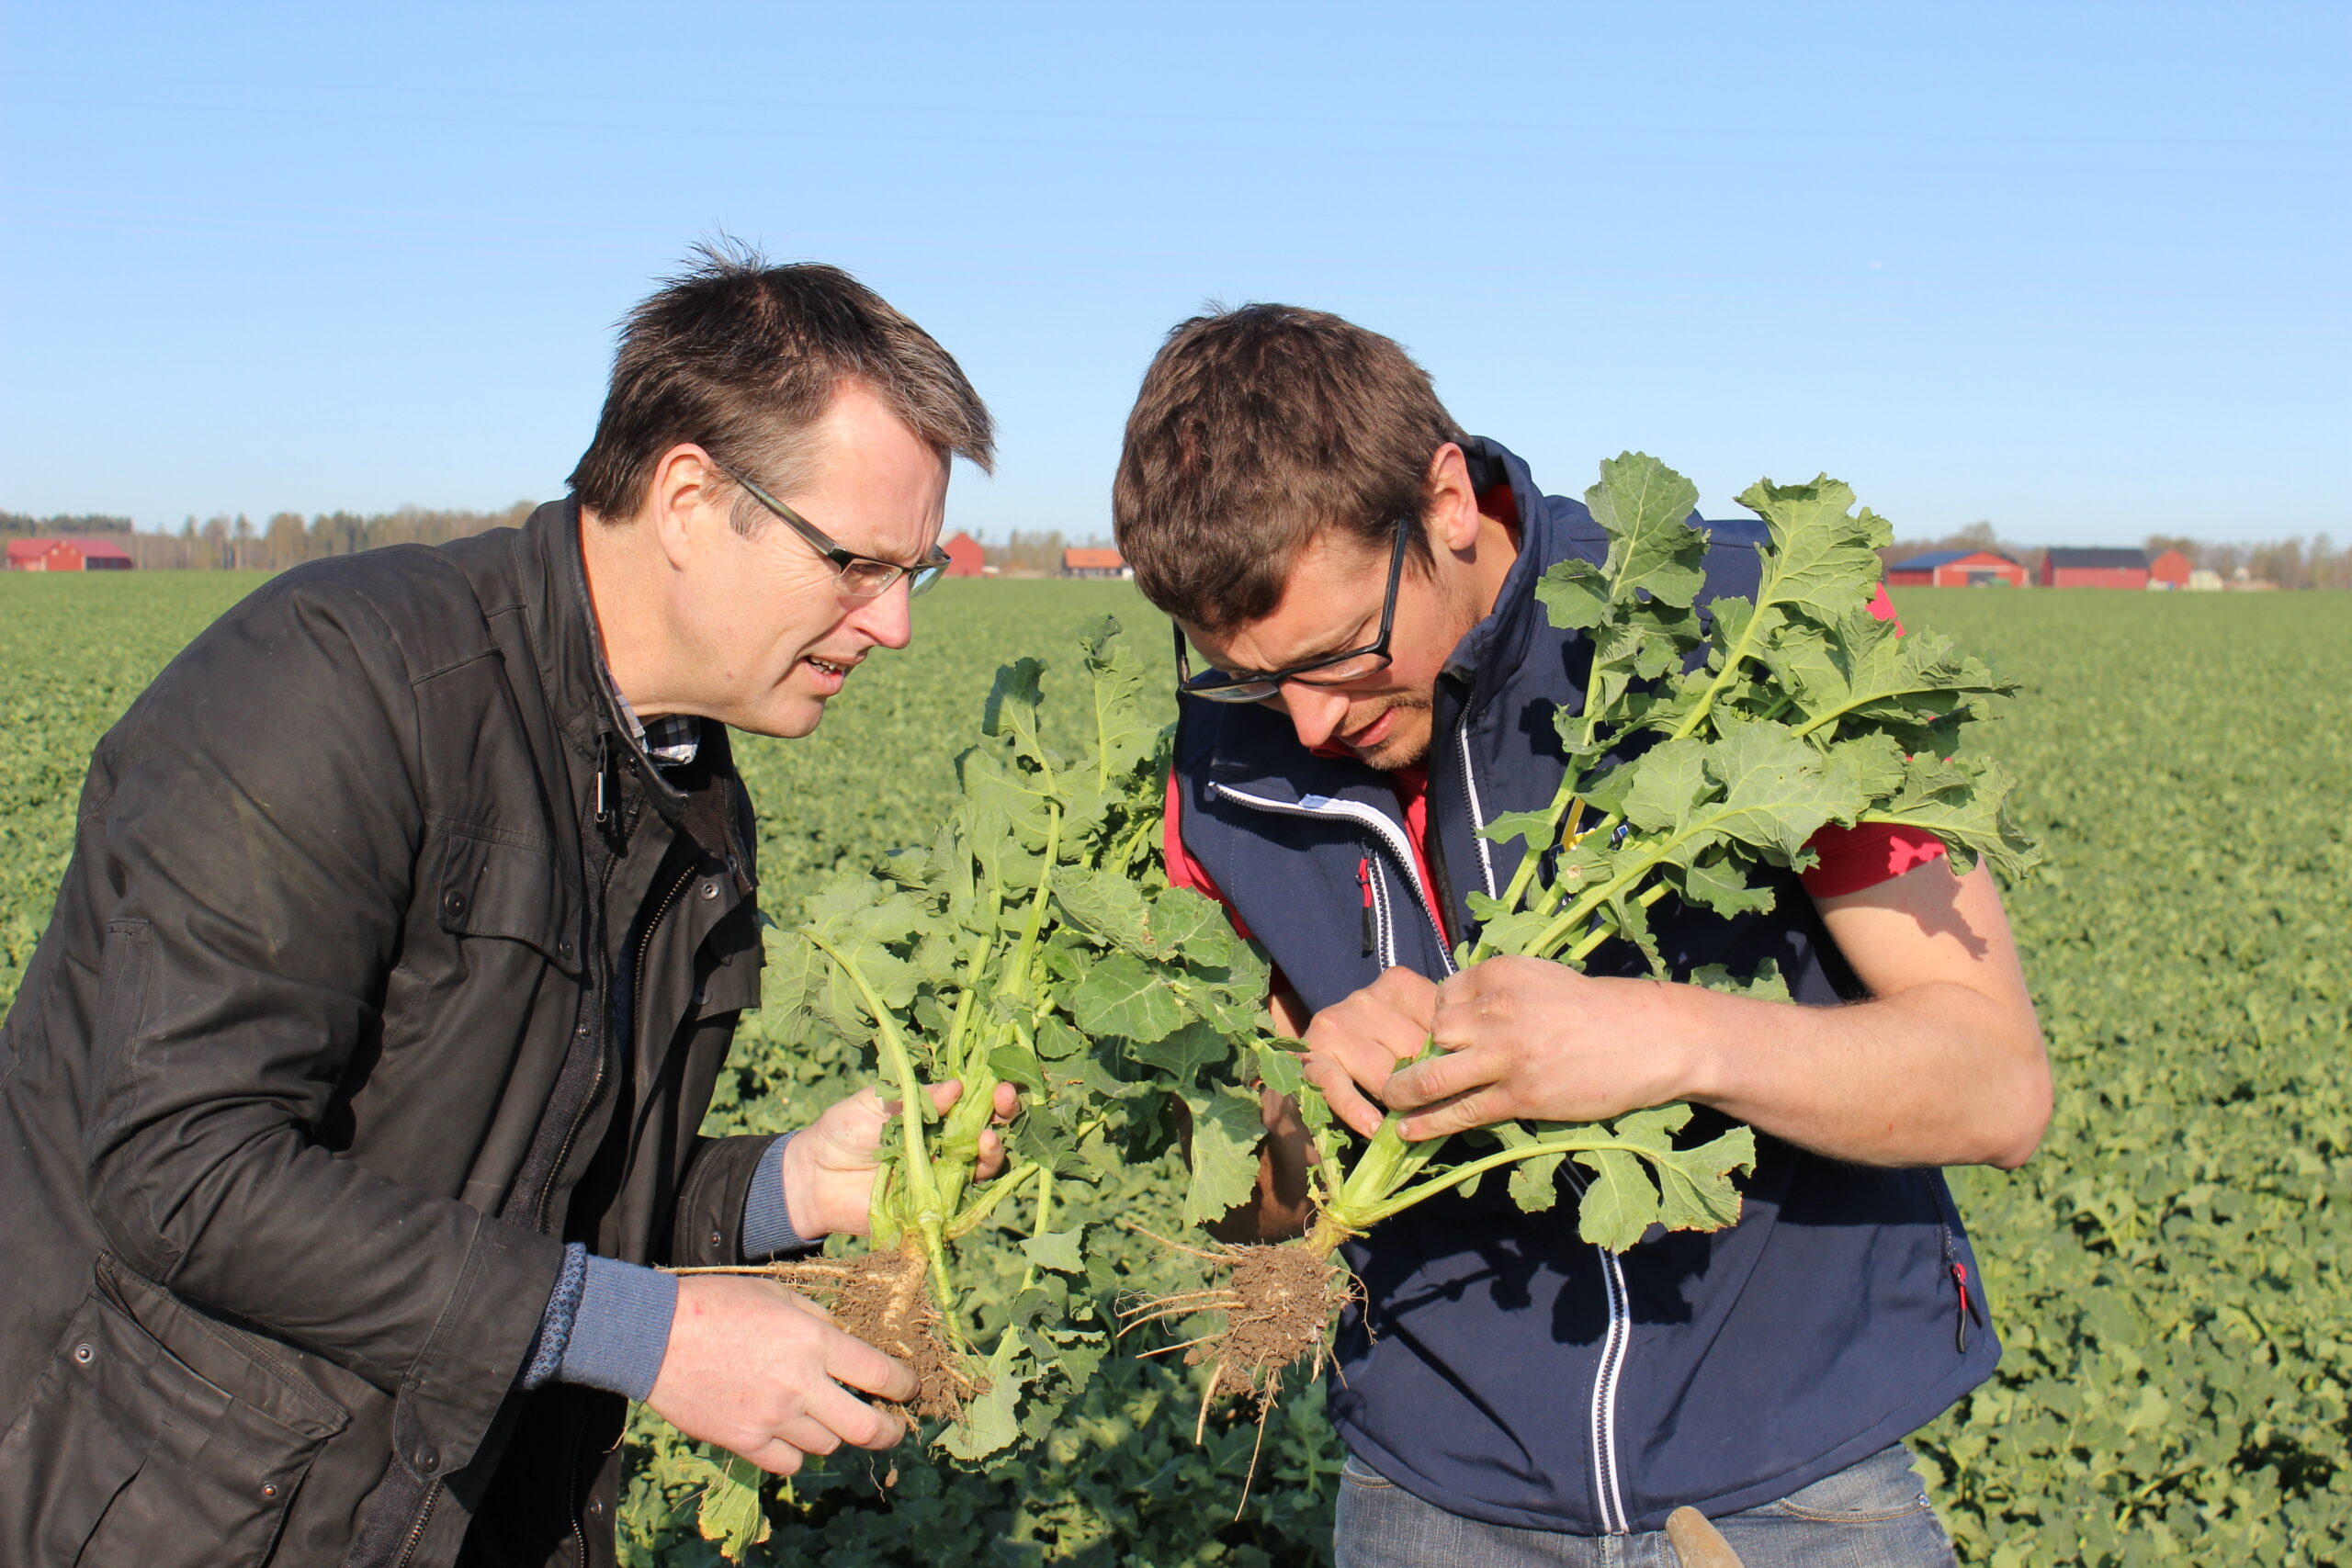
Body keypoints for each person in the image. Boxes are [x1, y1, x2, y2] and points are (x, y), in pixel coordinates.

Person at [0, 248, 1012, 1568]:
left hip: (446, 1509)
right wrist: (655, 1338)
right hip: (173, 1506)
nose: (893, 626)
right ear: (693, 500)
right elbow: (181, 1172)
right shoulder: (339, 688)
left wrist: (780, 1190)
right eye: (857, 564)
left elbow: (536, 1196)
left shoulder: (685, 797)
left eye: (914, 573)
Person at [1112, 304, 2052, 1567]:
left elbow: (1996, 1088)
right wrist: (1291, 1093)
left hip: (1790, 1494)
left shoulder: (1740, 636)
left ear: (1445, 501)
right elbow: (1261, 1212)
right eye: (1244, 671)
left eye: (1340, 656)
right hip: (1430, 1505)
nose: (1309, 724)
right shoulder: (1221, 763)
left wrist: (1673, 1038)